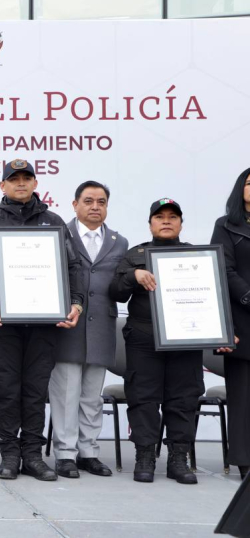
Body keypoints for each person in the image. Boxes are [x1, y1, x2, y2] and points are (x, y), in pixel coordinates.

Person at [0, 159, 84, 482]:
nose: (20, 183)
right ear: (2, 186)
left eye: (26, 178)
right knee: (8, 388)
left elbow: (73, 268)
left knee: (35, 389)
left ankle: (33, 454)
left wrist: (76, 303)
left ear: (35, 184)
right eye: (13, 179)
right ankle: (9, 454)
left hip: (44, 323)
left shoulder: (54, 221)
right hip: (2, 322)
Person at [109, 198, 229, 484]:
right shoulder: (134, 254)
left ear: (180, 224)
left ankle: (179, 458)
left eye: (172, 217)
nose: (166, 221)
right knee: (143, 399)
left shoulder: (199, 257)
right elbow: (114, 291)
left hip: (185, 340)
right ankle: (145, 456)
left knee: (184, 400)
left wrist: (221, 332)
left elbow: (216, 297)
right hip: (143, 339)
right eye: (159, 216)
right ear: (150, 223)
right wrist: (133, 275)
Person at [49, 181, 128, 478]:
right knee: (66, 394)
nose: (95, 207)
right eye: (89, 201)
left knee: (92, 397)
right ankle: (65, 453)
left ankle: (89, 452)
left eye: (101, 201)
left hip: (102, 328)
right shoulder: (58, 235)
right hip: (67, 326)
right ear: (75, 204)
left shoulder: (119, 242)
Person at [210, 170, 250, 480]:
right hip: (242, 319)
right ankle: (244, 459)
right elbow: (223, 269)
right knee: (243, 395)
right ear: (240, 189)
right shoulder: (225, 226)